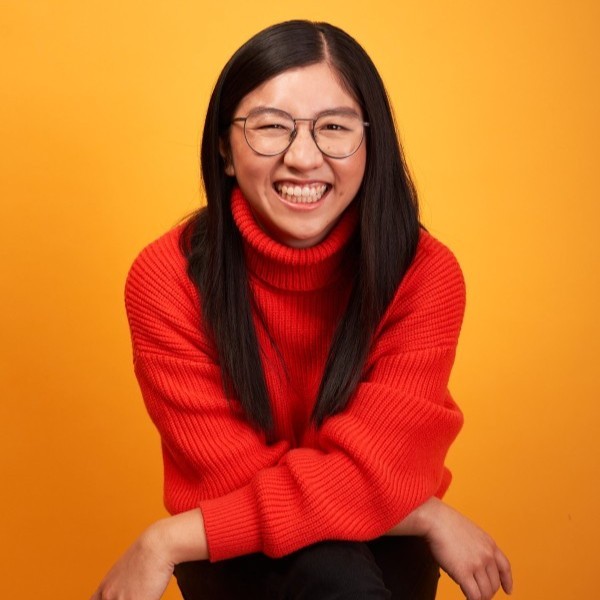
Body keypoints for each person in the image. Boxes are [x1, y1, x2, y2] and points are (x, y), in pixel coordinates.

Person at [92, 20, 513, 600]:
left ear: (371, 144)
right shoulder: (168, 278)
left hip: (378, 546)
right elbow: (229, 480)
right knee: (332, 572)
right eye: (271, 127)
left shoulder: (423, 273)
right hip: (235, 555)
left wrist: (164, 540)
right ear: (224, 149)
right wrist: (425, 513)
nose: (304, 157)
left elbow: (378, 469)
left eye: (334, 127)